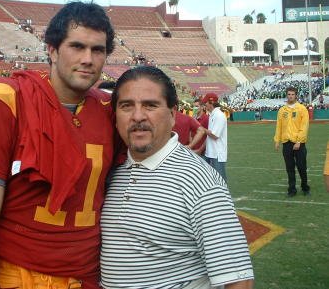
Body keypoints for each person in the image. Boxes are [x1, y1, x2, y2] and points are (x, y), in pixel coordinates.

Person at [0, 1, 115, 289]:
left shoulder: (112, 110)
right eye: (77, 46)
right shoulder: (7, 101)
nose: (88, 58)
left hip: (88, 277)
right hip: (22, 277)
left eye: (97, 50)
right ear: (51, 50)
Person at [101, 66, 254, 289]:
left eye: (150, 105)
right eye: (126, 106)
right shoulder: (113, 171)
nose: (137, 116)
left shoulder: (201, 182)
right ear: (116, 116)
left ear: (173, 115)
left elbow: (239, 280)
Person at [274, 87, 311, 197]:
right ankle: (291, 190)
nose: (290, 96)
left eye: (293, 94)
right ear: (287, 95)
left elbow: (304, 126)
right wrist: (277, 140)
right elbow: (279, 126)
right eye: (289, 94)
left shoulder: (302, 109)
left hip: (299, 143)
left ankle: (305, 188)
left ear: (296, 96)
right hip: (286, 143)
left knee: (301, 167)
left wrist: (299, 141)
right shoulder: (282, 110)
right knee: (289, 168)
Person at [202, 93, 228, 182]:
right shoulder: (213, 114)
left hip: (217, 153)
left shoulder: (219, 115)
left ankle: (225, 195)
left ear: (211, 102)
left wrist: (201, 128)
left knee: (220, 180)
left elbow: (215, 135)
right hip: (211, 152)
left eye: (206, 102)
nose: (204, 104)